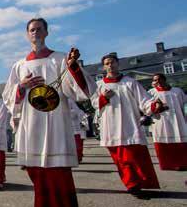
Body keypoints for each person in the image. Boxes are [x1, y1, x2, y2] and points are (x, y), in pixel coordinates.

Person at [3, 17, 95, 207]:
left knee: (58, 173)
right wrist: (21, 87)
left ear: (46, 32)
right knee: (39, 174)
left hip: (55, 123)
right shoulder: (20, 64)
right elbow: (8, 97)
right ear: (27, 35)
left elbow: (79, 91)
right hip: (31, 124)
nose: (35, 33)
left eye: (39, 29)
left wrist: (73, 67)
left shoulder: (60, 59)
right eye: (31, 30)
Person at [91, 54, 164, 195]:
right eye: (107, 63)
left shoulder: (130, 82)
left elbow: (144, 100)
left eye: (112, 62)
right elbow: (94, 104)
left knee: (134, 157)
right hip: (111, 126)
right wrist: (103, 97)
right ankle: (132, 185)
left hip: (130, 124)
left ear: (118, 63)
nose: (110, 65)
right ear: (104, 66)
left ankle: (139, 182)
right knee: (121, 160)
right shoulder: (99, 85)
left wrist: (154, 106)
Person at [148, 73, 186, 170]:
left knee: (180, 141)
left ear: (164, 79)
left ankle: (182, 163)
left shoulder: (177, 91)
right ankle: (167, 164)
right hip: (160, 121)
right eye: (155, 80)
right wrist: (157, 109)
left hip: (177, 119)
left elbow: (184, 104)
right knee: (162, 141)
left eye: (158, 79)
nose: (156, 82)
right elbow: (147, 108)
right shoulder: (151, 93)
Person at [68, 99, 88, 163]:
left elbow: (80, 114)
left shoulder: (71, 101)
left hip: (77, 128)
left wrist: (84, 127)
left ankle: (78, 157)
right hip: (69, 128)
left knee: (78, 145)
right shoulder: (69, 100)